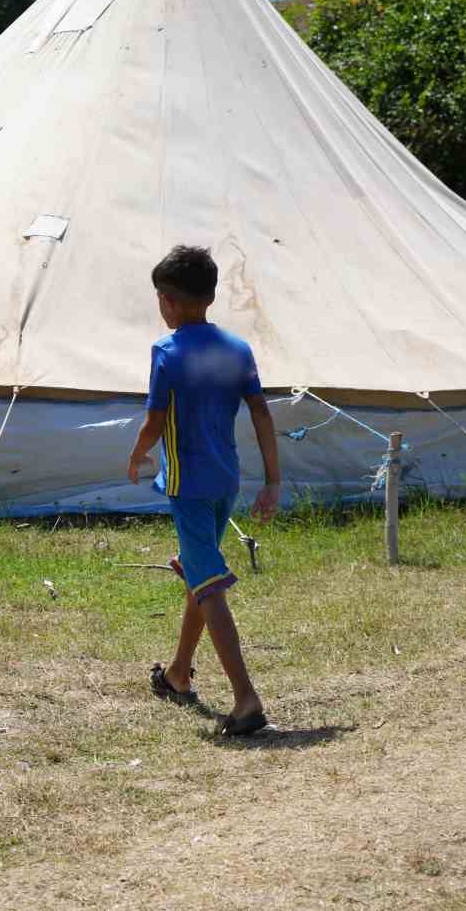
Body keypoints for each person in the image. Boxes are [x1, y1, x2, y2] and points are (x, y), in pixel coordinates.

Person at [126, 245, 281, 736]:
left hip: (187, 483)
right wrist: (274, 480)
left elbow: (154, 418)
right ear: (211, 296)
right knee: (200, 572)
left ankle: (245, 699)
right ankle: (177, 675)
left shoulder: (167, 352)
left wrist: (137, 453)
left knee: (209, 586)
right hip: (225, 479)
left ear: (167, 301)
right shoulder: (238, 349)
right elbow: (260, 413)